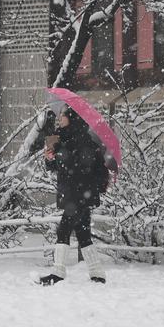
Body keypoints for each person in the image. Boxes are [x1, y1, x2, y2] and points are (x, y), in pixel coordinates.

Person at [39, 105, 110, 285]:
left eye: (63, 115)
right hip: (73, 193)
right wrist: (50, 159)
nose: (60, 118)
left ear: (72, 118)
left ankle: (58, 273)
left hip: (79, 194)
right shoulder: (62, 139)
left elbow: (79, 169)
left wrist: (61, 156)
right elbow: (58, 168)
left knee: (63, 230)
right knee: (83, 234)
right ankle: (98, 273)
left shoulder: (82, 141)